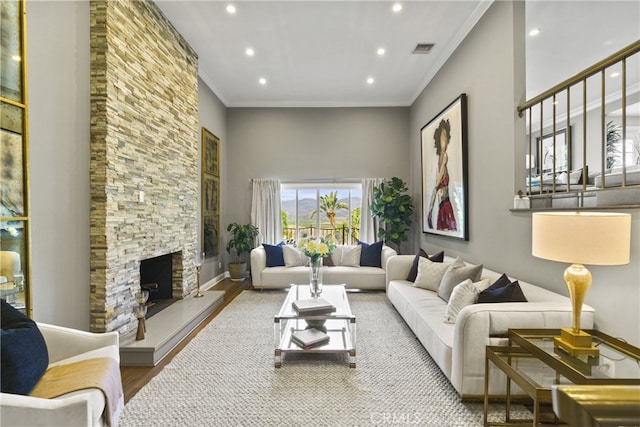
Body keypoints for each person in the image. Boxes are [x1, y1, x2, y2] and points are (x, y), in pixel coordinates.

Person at [427, 119, 457, 231]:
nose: (444, 139)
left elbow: (436, 185)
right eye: (442, 136)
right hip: (441, 207)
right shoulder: (437, 162)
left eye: (445, 136)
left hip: (446, 205)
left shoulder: (445, 157)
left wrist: (430, 210)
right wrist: (430, 210)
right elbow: (435, 187)